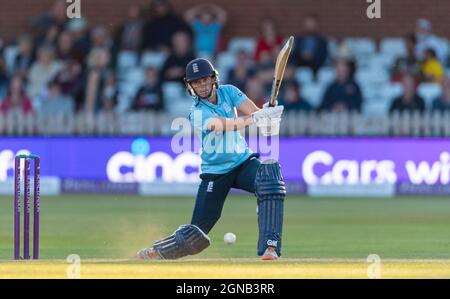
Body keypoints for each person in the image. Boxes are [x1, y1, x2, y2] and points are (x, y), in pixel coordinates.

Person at [137, 58, 286, 261]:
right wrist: (259, 117)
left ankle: (270, 248)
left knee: (270, 181)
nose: (202, 85)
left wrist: (267, 112)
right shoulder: (196, 113)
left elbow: (255, 114)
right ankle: (157, 251)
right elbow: (226, 124)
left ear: (213, 78)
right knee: (196, 235)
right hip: (215, 173)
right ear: (190, 86)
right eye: (196, 82)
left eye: (205, 79)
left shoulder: (229, 92)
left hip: (243, 162)